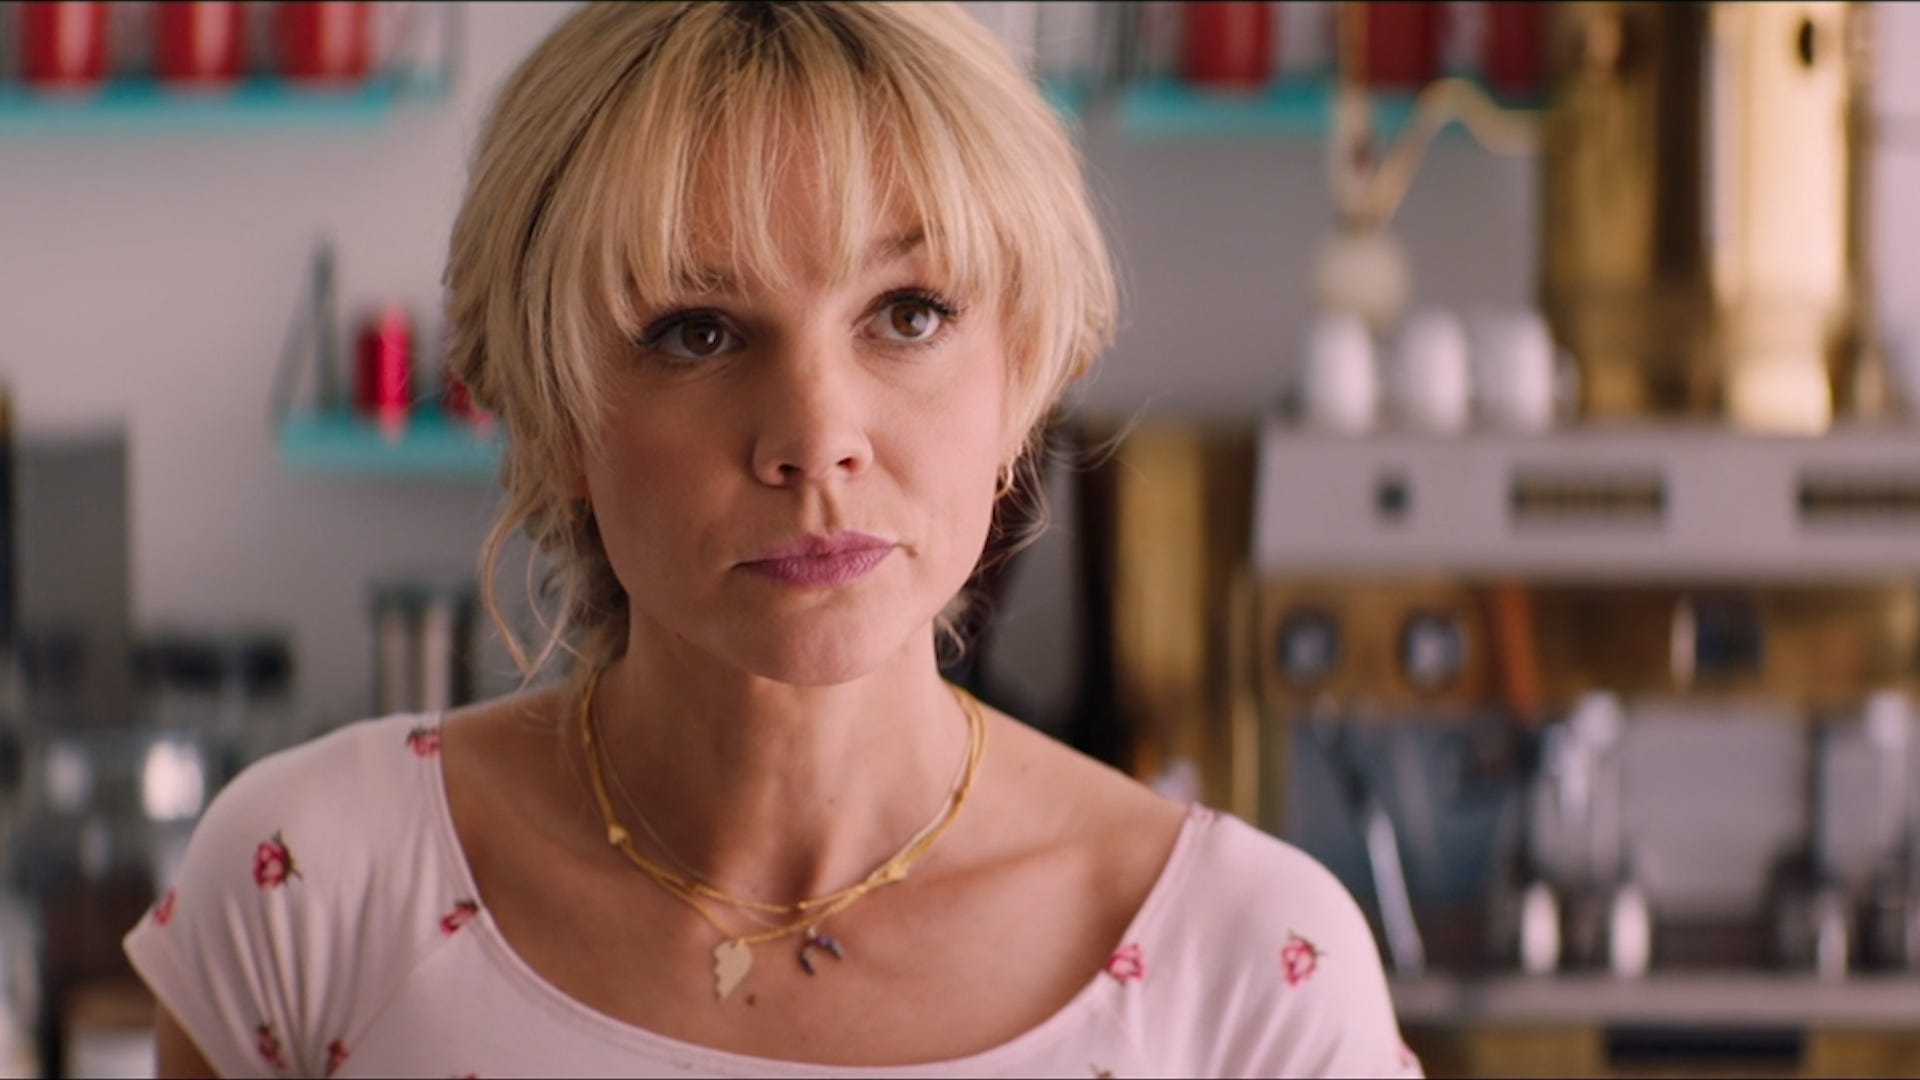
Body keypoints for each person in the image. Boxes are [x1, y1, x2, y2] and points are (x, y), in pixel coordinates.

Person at [124, 3, 1420, 1076]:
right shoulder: (313, 890)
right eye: (696, 331)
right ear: (554, 413)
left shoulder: (1249, 975)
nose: (814, 437)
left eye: (908, 314)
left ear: (1020, 382)